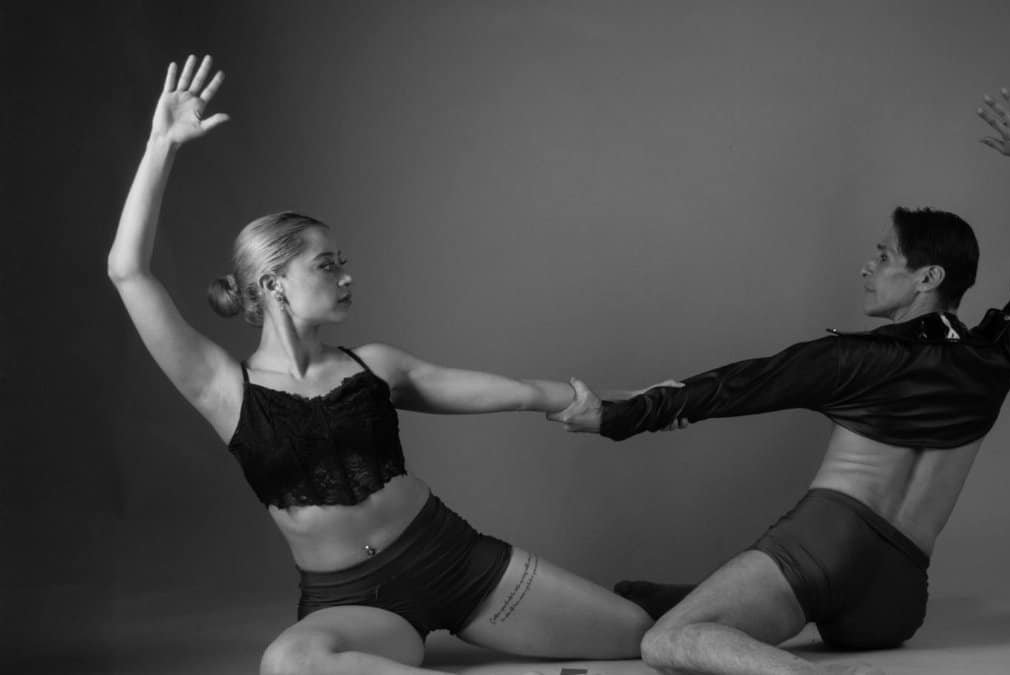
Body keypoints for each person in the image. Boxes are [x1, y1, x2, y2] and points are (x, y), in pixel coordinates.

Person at [107, 55, 652, 675]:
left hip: (453, 559)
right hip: (354, 602)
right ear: (274, 282)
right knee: (291, 664)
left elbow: (522, 392)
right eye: (326, 265)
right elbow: (128, 272)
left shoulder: (375, 366)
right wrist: (161, 145)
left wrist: (631, 401)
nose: (347, 276)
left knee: (638, 636)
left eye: (342, 261)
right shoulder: (222, 388)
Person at [551, 87, 1010, 675]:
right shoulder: (998, 357)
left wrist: (610, 417)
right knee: (640, 599)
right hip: (897, 599)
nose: (867, 268)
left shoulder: (856, 360)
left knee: (666, 641)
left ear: (927, 276)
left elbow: (736, 386)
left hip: (828, 546)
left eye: (883, 256)